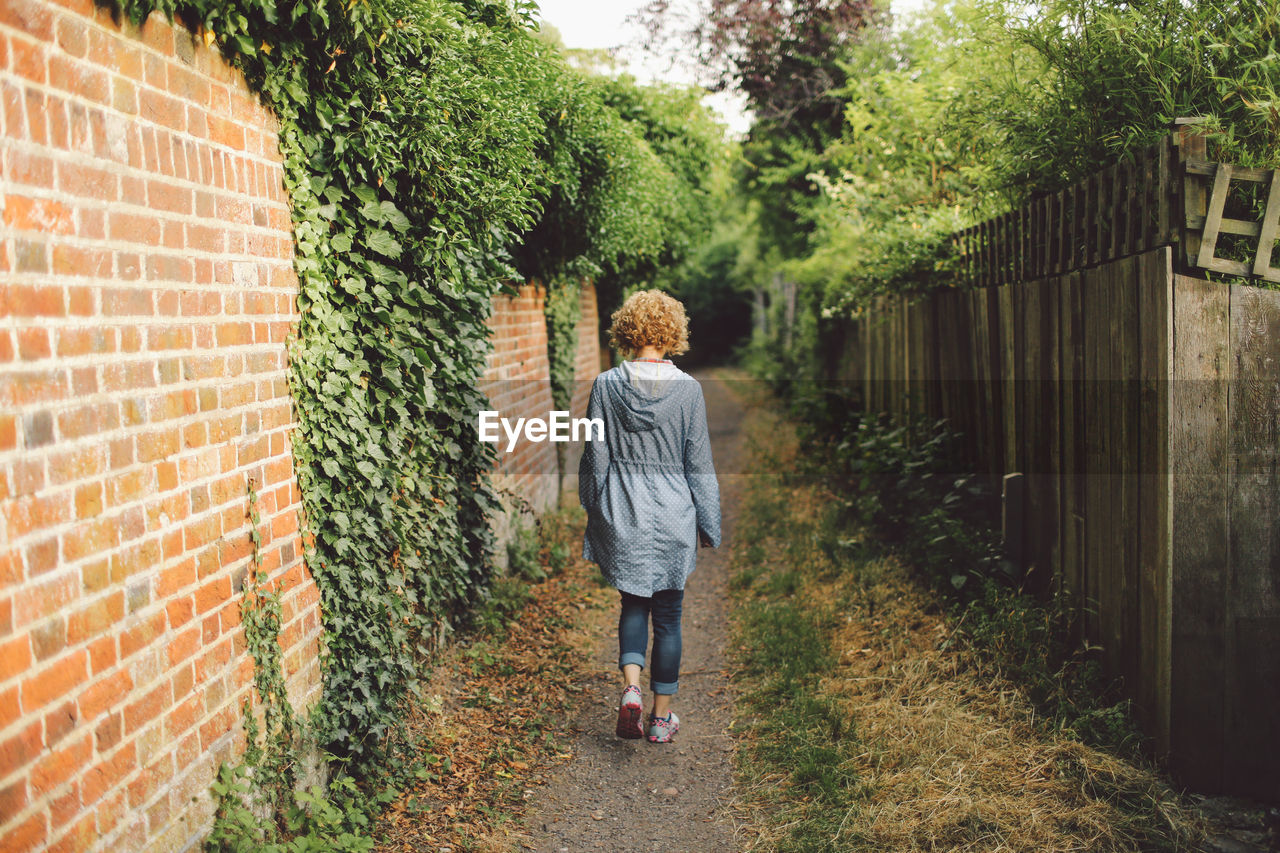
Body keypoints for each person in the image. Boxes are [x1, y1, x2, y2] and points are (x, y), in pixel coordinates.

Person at [578, 289, 721, 744]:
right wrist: (708, 522)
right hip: (675, 510)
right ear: (673, 333)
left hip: (625, 509)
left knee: (633, 603)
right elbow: (698, 462)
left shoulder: (604, 386)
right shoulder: (690, 391)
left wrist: (593, 509)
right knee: (670, 615)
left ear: (625, 330)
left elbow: (594, 458)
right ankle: (661, 721)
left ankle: (631, 689)